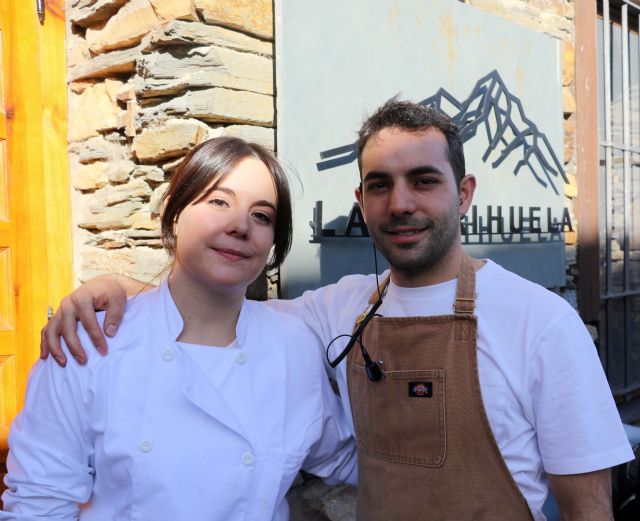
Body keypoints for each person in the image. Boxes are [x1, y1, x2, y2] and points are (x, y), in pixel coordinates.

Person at [40, 99, 632, 521]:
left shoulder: (542, 323)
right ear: (361, 201)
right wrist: (115, 286)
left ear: (465, 193)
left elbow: (588, 507)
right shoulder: (334, 309)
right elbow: (211, 301)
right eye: (380, 185)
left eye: (424, 181)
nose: (400, 203)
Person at [1, 137, 357, 520]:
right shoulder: (89, 342)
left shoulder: (292, 346)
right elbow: (38, 505)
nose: (240, 226)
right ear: (172, 213)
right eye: (219, 202)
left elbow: (344, 459)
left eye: (262, 216)